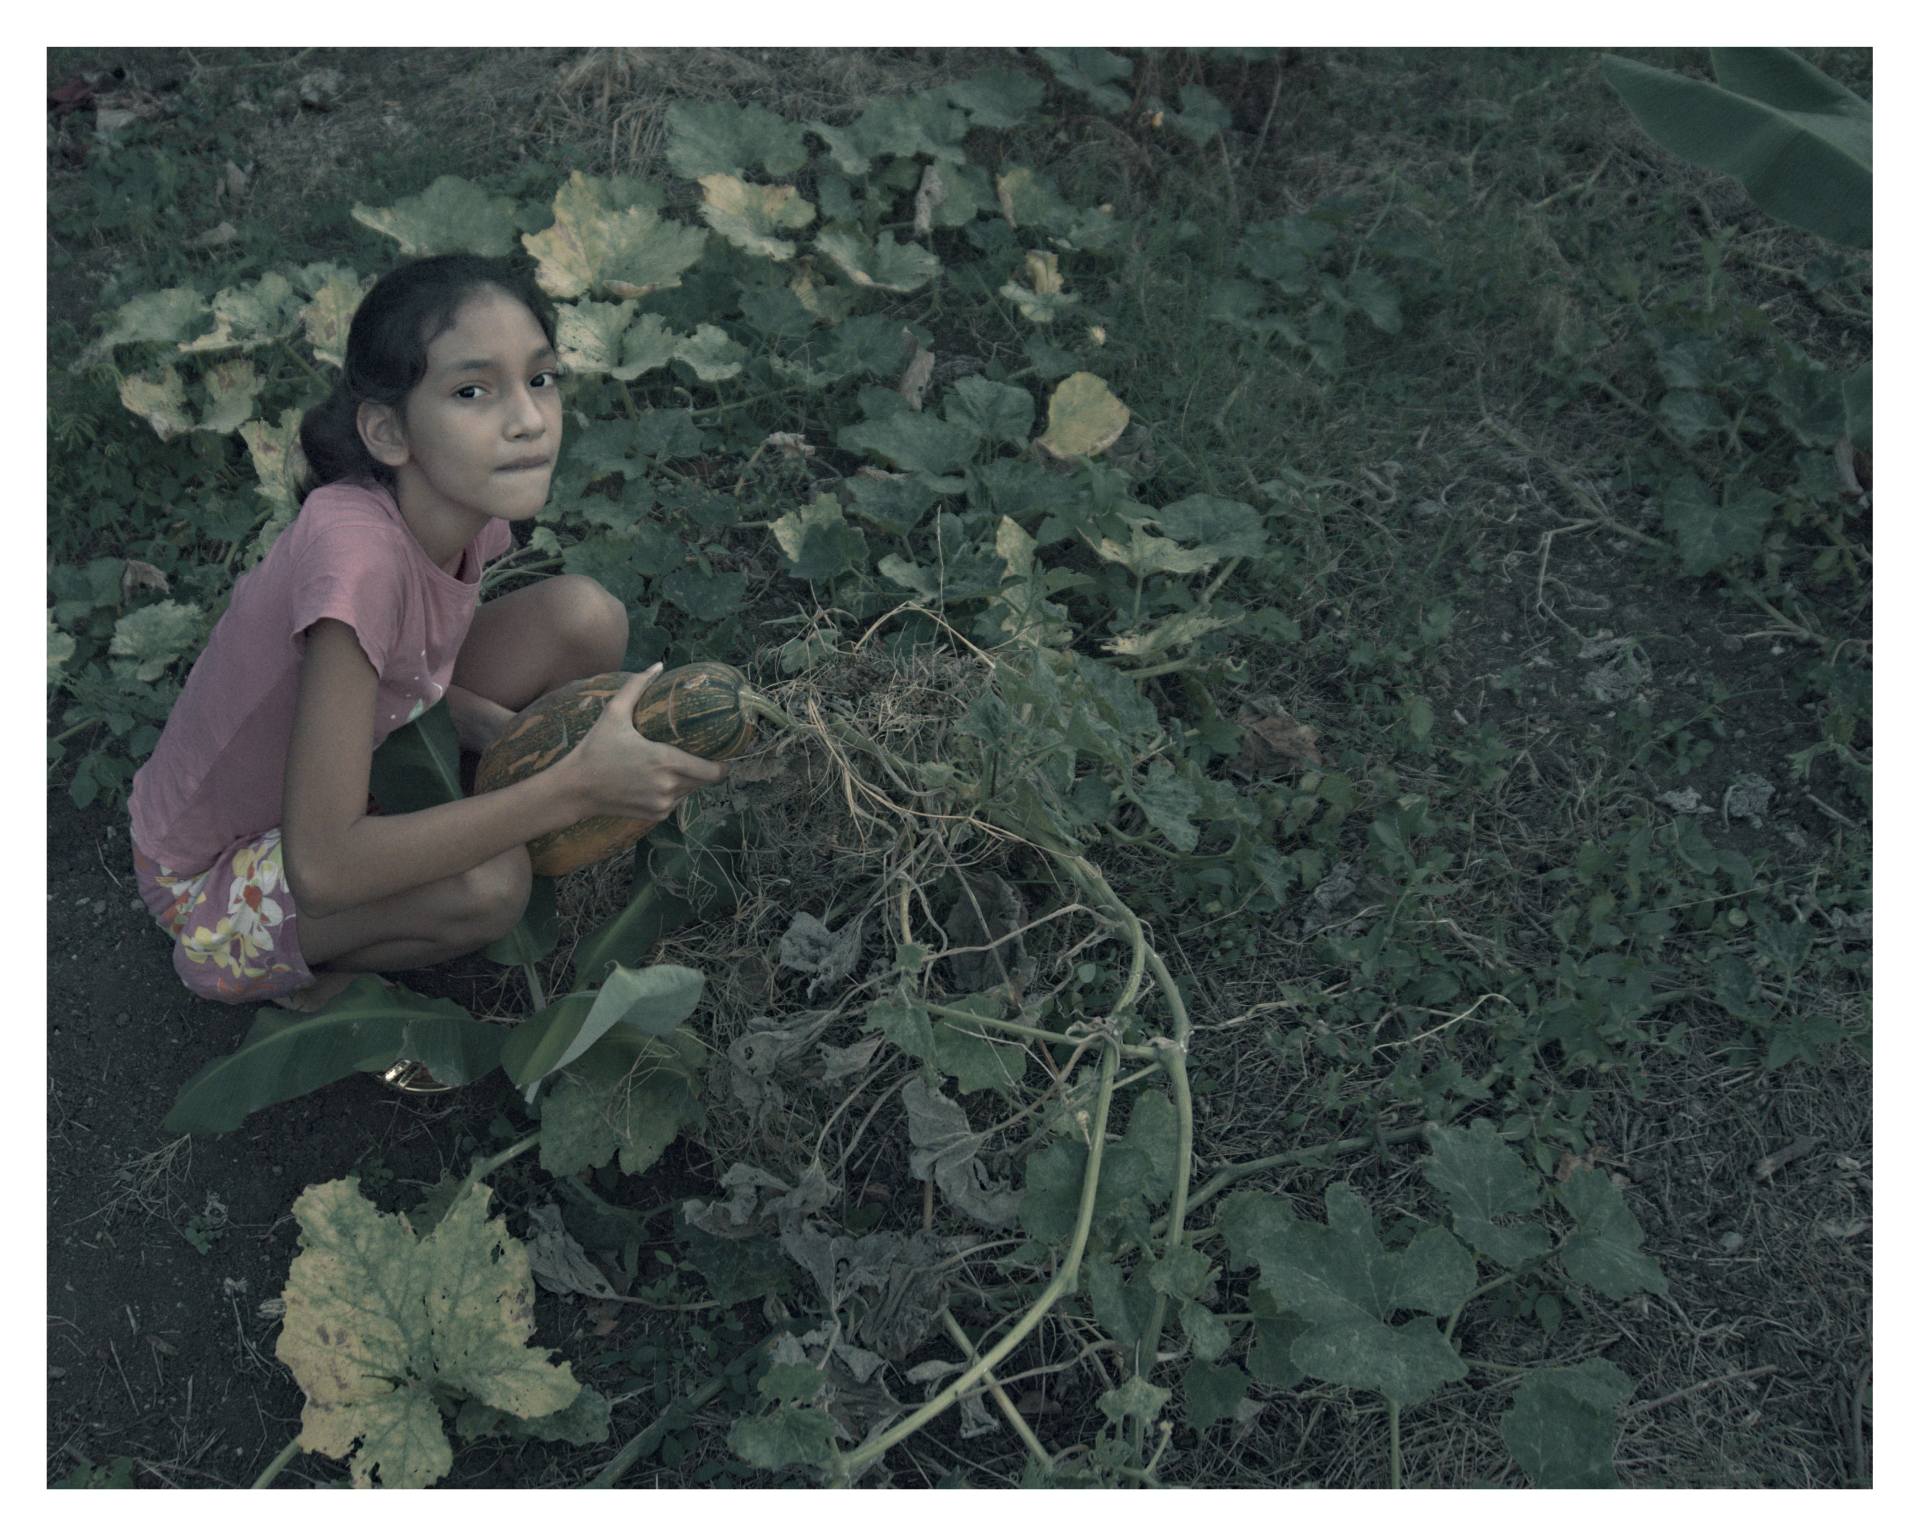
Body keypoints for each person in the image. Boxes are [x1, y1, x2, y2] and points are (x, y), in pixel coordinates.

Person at [129, 254, 730, 1030]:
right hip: (217, 871)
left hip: (354, 761)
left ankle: (478, 813)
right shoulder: (355, 565)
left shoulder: (462, 500)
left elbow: (413, 660)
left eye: (540, 379)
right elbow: (321, 867)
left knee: (585, 619)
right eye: (472, 391)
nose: (527, 420)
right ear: (386, 430)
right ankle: (268, 965)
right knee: (491, 886)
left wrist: (496, 729)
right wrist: (572, 787)